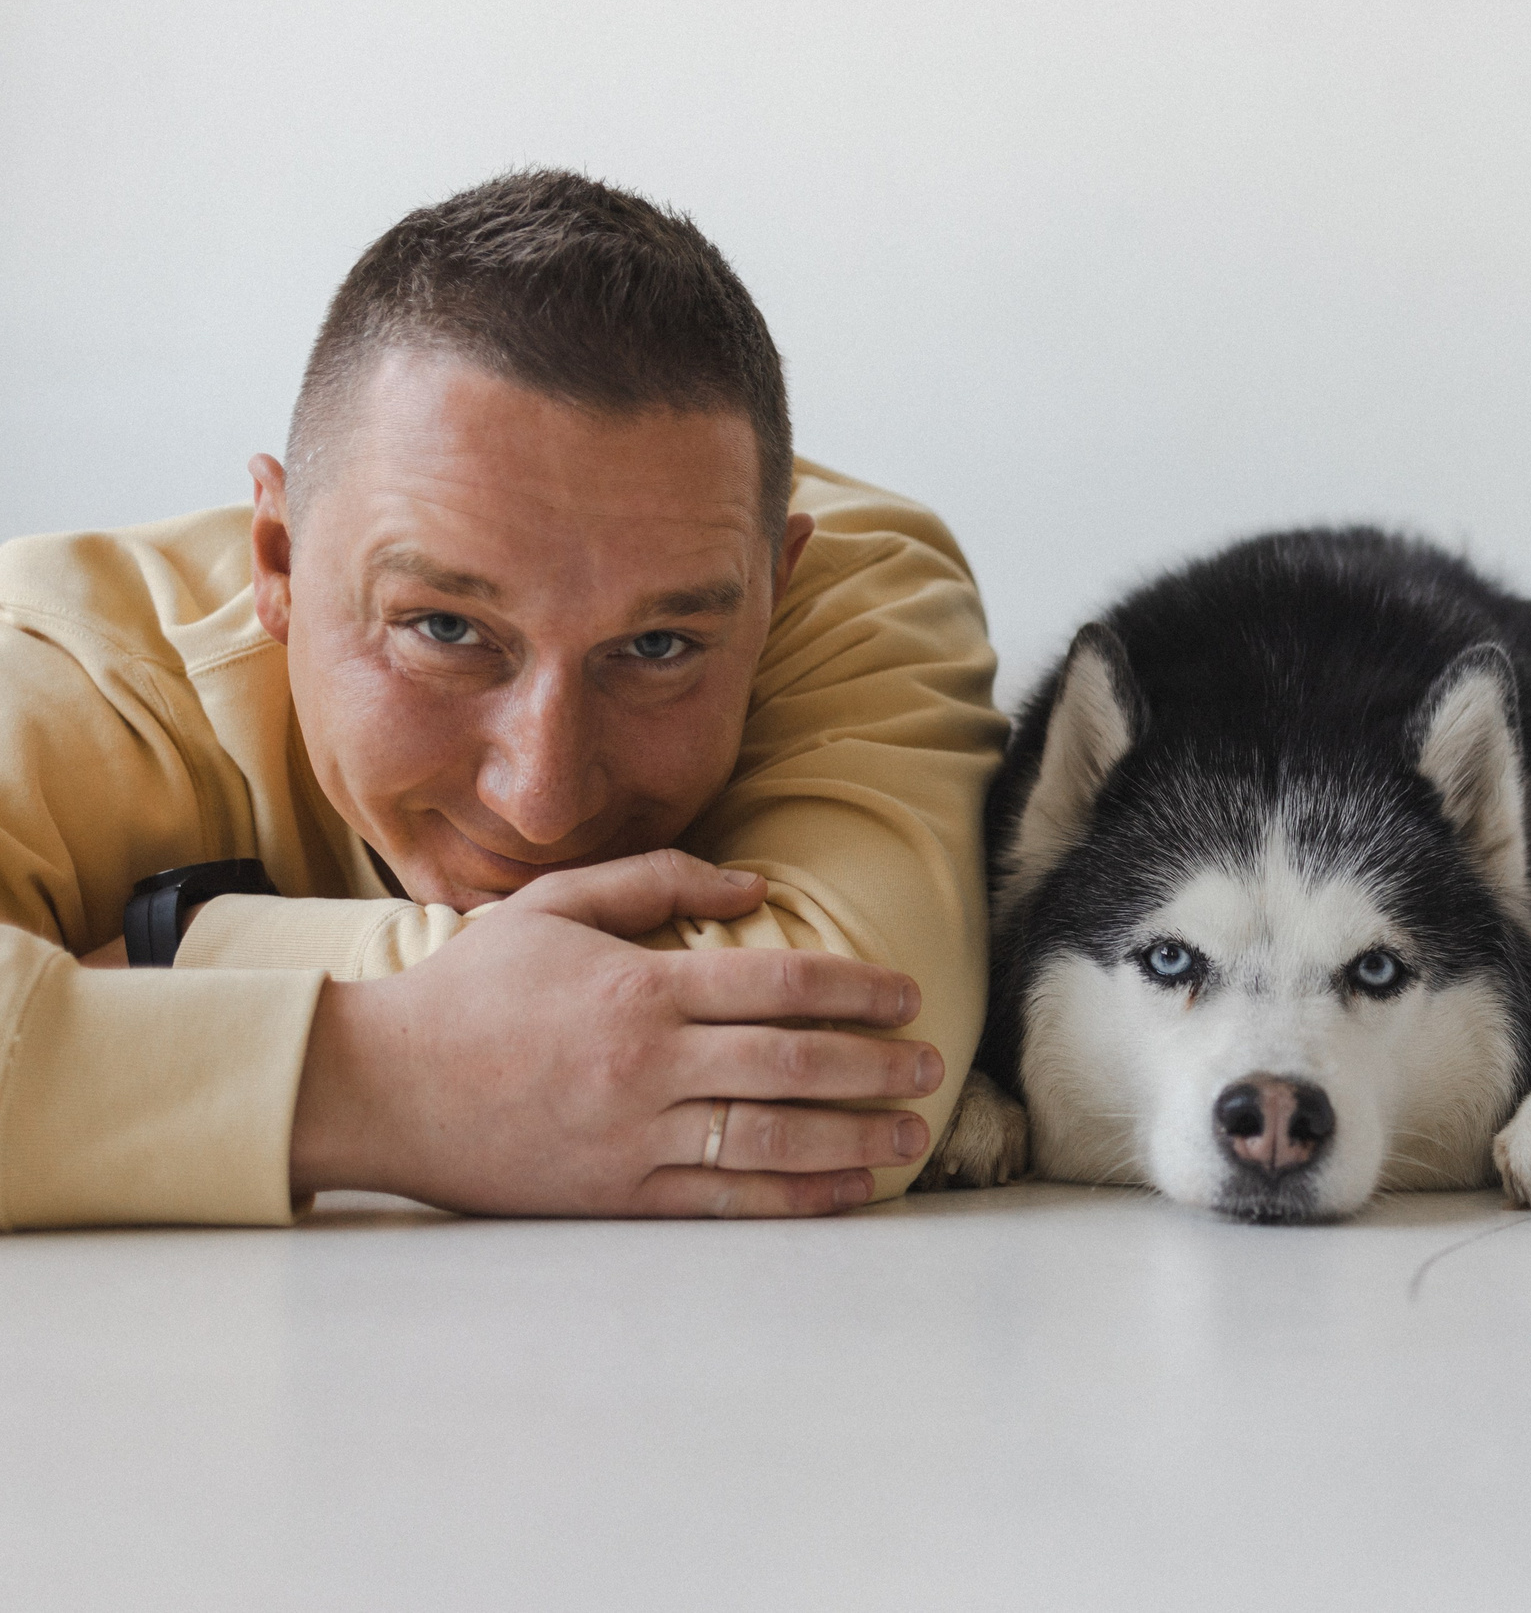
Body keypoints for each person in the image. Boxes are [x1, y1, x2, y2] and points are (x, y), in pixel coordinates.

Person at [0, 170, 1008, 1230]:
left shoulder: (853, 580)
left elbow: (854, 1073)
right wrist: (375, 1082)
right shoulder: (69, 668)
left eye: (658, 648)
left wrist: (176, 955)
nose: (543, 797)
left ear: (776, 591)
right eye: (446, 632)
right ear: (280, 558)